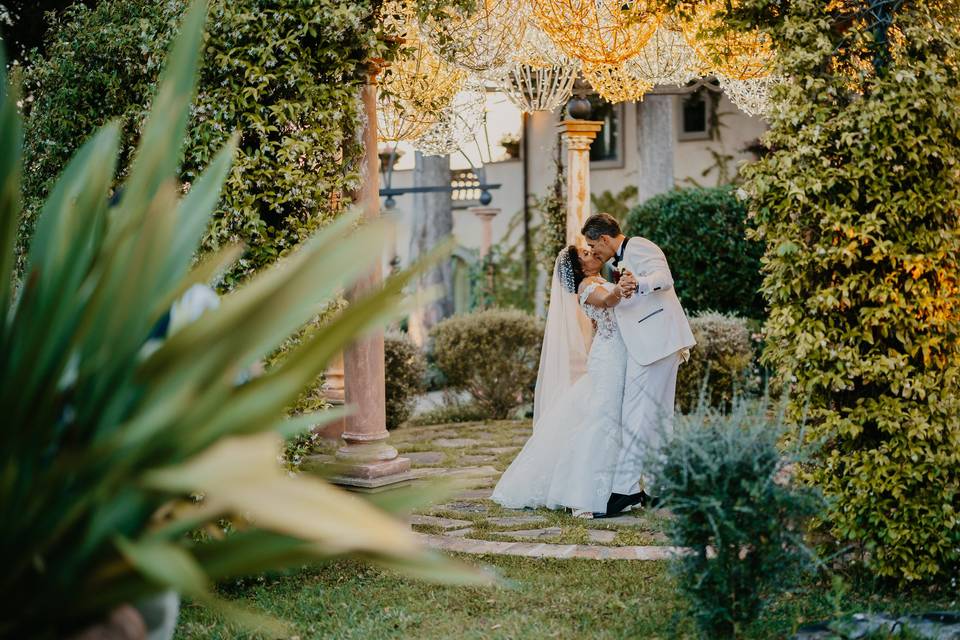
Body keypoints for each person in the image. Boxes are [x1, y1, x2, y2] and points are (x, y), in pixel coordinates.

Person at [491, 244, 636, 516]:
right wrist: (623, 286)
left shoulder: (598, 280)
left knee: (611, 420)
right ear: (578, 268)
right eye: (584, 253)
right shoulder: (586, 288)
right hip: (609, 360)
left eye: (590, 250)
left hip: (613, 354)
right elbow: (607, 302)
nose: (591, 253)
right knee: (601, 421)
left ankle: (618, 487)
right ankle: (582, 495)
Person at [581, 213, 695, 516]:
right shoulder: (615, 262)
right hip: (650, 346)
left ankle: (624, 490)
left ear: (605, 238)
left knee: (635, 416)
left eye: (594, 245)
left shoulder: (640, 246)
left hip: (656, 344)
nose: (593, 252)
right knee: (657, 421)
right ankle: (660, 490)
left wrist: (638, 283)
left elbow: (663, 279)